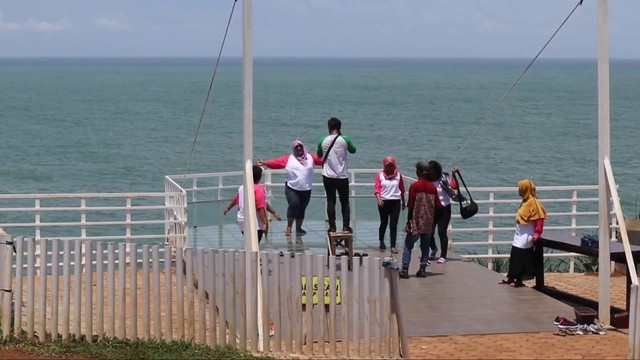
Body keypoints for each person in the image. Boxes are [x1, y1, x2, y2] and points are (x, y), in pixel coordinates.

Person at [256, 139, 323, 236]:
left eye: (300, 146)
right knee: (294, 205)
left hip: (306, 189)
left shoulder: (310, 157)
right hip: (292, 188)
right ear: (294, 149)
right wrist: (265, 163)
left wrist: (332, 157)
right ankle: (289, 227)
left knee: (302, 208)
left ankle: (299, 228)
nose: (299, 148)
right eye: (296, 147)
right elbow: (276, 162)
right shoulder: (289, 158)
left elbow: (322, 161)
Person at [499, 179, 548, 288]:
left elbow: (539, 219)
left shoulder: (533, 202)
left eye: (520, 188)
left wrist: (537, 233)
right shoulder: (525, 200)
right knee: (515, 254)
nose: (519, 190)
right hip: (519, 232)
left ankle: (519, 279)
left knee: (521, 255)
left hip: (527, 233)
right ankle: (511, 277)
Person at [399, 161, 441, 279]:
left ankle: (405, 269)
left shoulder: (415, 186)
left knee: (408, 245)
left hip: (416, 222)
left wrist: (409, 220)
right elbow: (438, 206)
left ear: (419, 172)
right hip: (428, 223)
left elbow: (411, 205)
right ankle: (422, 269)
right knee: (425, 246)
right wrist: (433, 222)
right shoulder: (433, 188)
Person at [222, 165, 281, 243]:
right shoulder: (259, 189)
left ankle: (248, 254)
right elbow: (260, 207)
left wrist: (228, 208)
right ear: (260, 177)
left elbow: (236, 200)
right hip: (254, 223)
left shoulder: (242, 187)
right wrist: (265, 223)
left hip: (242, 221)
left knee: (250, 243)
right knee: (254, 245)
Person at [316, 117, 356, 233]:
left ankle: (332, 227)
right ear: (340, 128)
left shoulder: (322, 140)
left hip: (328, 176)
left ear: (329, 127)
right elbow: (353, 150)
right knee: (345, 202)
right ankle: (345, 227)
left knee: (331, 201)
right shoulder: (345, 139)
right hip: (342, 176)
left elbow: (319, 155)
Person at [427, 161, 461, 264]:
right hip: (431, 209)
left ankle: (443, 256)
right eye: (428, 170)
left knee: (442, 232)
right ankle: (433, 249)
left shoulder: (444, 177)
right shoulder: (426, 180)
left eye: (432, 170)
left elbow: (454, 186)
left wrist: (454, 174)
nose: (430, 172)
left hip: (444, 208)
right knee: (429, 232)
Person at [374, 156, 406, 253]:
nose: (390, 167)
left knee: (393, 225)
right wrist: (379, 200)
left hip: (395, 202)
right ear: (384, 165)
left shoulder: (398, 175)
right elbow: (377, 189)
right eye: (388, 165)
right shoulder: (380, 175)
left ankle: (393, 246)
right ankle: (381, 241)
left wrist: (403, 202)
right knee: (383, 223)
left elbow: (402, 189)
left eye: (392, 165)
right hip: (384, 201)